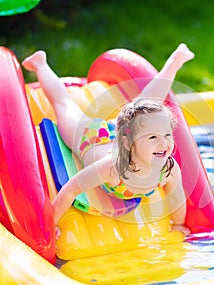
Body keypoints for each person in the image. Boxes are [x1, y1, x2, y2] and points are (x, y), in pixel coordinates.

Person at [22, 43, 194, 235]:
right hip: (91, 137)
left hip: (123, 134)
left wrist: (178, 225)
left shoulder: (168, 168)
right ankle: (40, 64)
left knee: (148, 107)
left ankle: (175, 61)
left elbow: (176, 198)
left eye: (167, 135)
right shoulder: (112, 168)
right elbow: (70, 190)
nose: (164, 143)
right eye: (153, 137)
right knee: (63, 103)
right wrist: (50, 225)